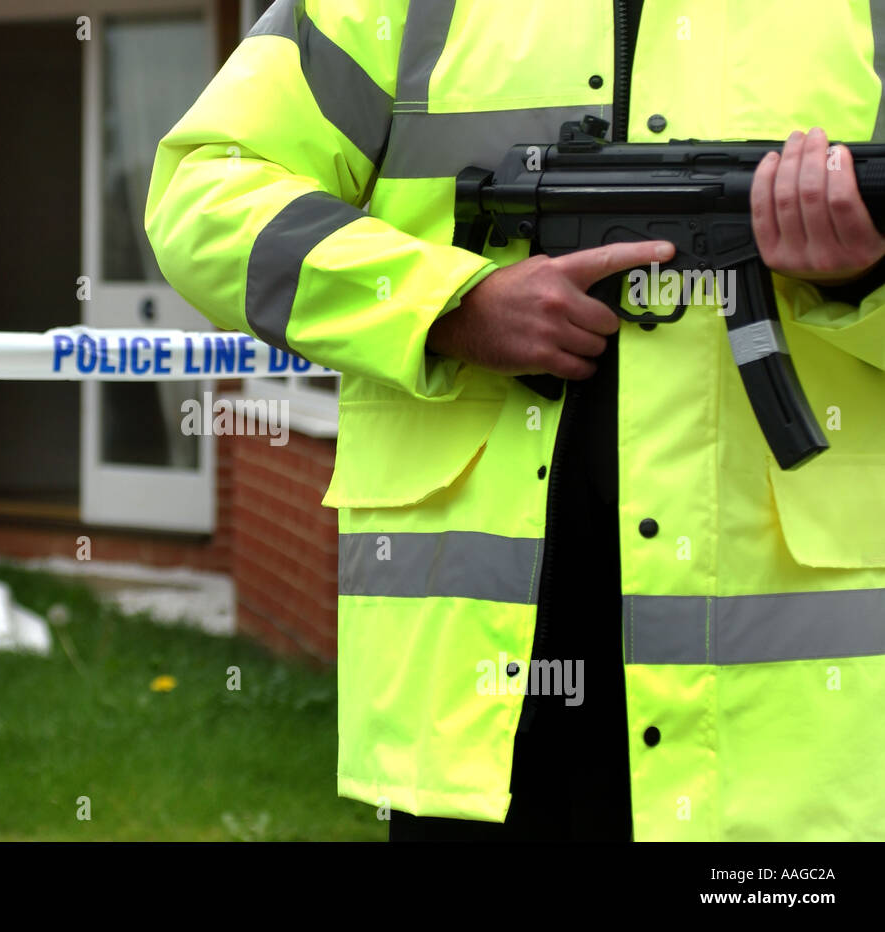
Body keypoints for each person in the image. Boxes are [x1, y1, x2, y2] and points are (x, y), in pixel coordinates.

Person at [145, 0, 885, 841]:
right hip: (481, 716)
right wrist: (445, 306)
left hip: (787, 731)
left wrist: (859, 283)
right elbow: (204, 192)